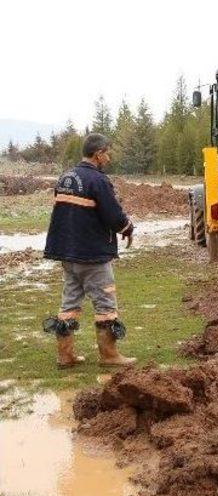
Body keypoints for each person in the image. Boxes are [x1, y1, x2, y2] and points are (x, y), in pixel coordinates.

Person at [43, 133, 136, 368]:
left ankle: (65, 356)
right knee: (105, 304)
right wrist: (127, 228)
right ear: (98, 154)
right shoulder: (98, 180)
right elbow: (114, 215)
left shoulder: (65, 178)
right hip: (92, 254)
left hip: (67, 253)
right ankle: (109, 355)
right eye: (107, 151)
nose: (109, 156)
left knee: (69, 304)